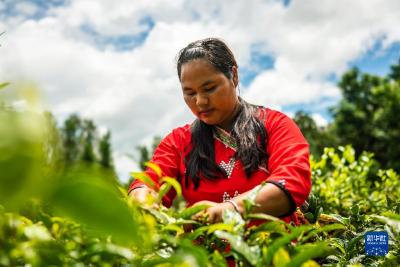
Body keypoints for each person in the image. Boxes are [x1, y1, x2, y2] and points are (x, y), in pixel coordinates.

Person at [129, 37, 311, 225]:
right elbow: (147, 183)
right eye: (190, 93)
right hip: (205, 252)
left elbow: (292, 181)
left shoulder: (275, 125)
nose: (200, 101)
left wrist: (231, 210)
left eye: (210, 88)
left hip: (274, 249)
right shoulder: (178, 141)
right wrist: (143, 200)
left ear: (234, 76)